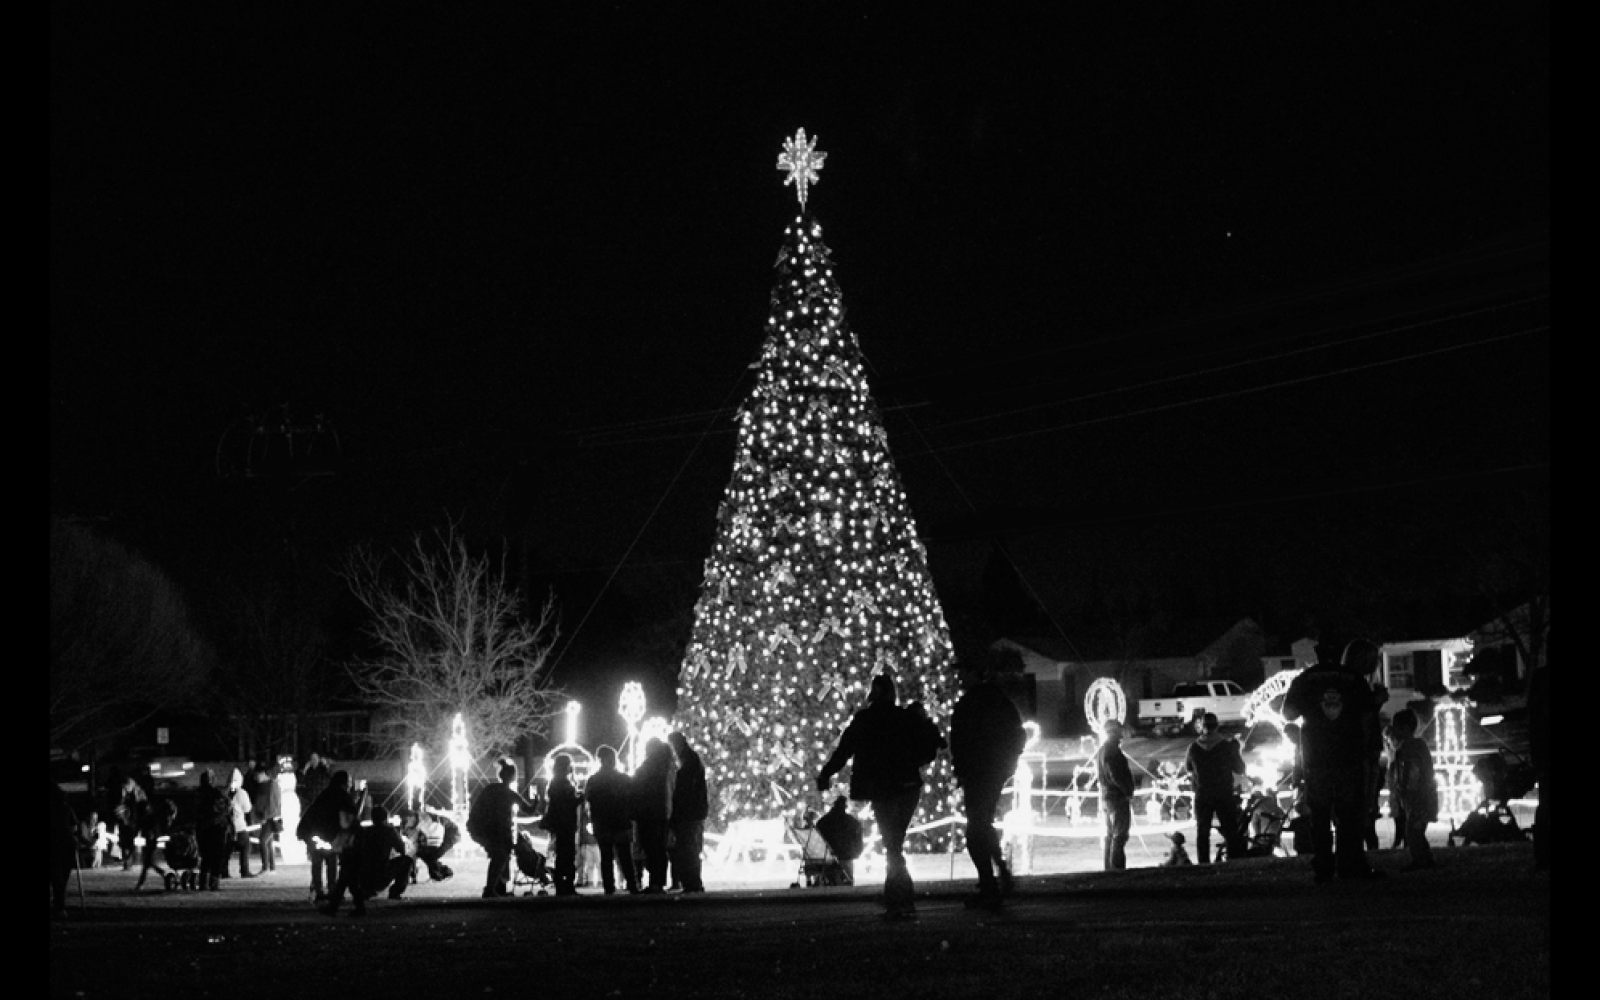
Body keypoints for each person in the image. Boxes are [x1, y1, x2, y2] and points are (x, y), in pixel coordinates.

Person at [816, 672, 946, 920]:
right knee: (893, 842)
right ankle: (897, 895)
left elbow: (844, 751)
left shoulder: (865, 720)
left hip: (884, 789)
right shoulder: (904, 717)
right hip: (908, 787)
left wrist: (826, 774)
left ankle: (901, 897)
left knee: (892, 842)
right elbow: (934, 742)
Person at [1283, 641, 1385, 883]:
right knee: (1349, 815)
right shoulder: (1353, 678)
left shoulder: (1305, 679)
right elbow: (1367, 712)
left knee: (1319, 816)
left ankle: (1323, 867)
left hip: (1316, 758)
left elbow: (1288, 713)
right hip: (1349, 756)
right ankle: (1348, 865)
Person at [948, 659, 1026, 909]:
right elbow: (1018, 734)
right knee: (982, 823)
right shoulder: (998, 700)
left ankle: (990, 883)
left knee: (976, 828)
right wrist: (1008, 763)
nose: (959, 678)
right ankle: (996, 874)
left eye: (962, 672)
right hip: (991, 772)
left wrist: (963, 768)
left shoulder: (972, 702)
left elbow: (960, 739)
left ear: (974, 672)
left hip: (979, 772)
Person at [467, 758, 540, 899]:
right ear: (511, 777)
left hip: (487, 829)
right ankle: (490, 889)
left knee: (501, 855)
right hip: (492, 830)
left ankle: (497, 888)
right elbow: (529, 810)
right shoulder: (508, 793)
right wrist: (537, 801)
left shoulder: (491, 789)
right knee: (500, 856)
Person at [321, 806, 411, 916]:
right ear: (385, 819)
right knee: (407, 860)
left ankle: (336, 906)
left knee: (347, 871)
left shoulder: (365, 832)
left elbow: (354, 848)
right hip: (380, 873)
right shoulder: (389, 831)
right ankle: (395, 892)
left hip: (362, 873)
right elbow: (402, 850)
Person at [1184, 712, 1247, 864]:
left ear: (1202, 727)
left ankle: (1203, 862)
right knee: (1230, 829)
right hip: (1223, 793)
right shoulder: (1226, 746)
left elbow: (1189, 768)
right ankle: (1233, 861)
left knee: (1203, 831)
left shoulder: (1193, 748)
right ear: (1217, 726)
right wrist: (1236, 750)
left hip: (1202, 794)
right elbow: (1240, 769)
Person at [1387, 709, 1439, 872]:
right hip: (1420, 795)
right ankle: (1425, 858)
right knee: (1416, 830)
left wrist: (1404, 787)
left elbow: (1412, 770)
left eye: (1396, 726)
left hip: (1418, 796)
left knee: (1413, 831)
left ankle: (1420, 859)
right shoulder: (1412, 746)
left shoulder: (1410, 747)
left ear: (1404, 728)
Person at [297, 769, 358, 903]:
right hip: (321, 833)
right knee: (330, 860)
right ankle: (330, 889)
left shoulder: (327, 792)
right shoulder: (341, 795)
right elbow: (351, 813)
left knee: (319, 861)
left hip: (312, 831)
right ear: (343, 783)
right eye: (347, 782)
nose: (348, 785)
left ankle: (321, 890)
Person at [584, 745, 639, 895]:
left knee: (607, 856)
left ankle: (610, 886)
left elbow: (588, 798)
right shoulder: (623, 779)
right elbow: (632, 797)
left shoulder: (594, 780)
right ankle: (632, 884)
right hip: (620, 821)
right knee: (624, 856)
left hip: (603, 823)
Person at [632, 738, 677, 893]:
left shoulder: (650, 768)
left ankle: (655, 882)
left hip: (649, 814)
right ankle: (657, 881)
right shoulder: (666, 767)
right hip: (660, 814)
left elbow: (639, 788)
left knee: (652, 849)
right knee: (658, 849)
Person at [667, 732, 709, 894]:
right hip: (693, 812)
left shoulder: (688, 761)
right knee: (690, 847)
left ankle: (692, 882)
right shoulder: (690, 759)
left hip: (689, 813)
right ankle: (692, 881)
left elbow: (685, 789)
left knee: (688, 847)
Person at [1095, 720, 1135, 871]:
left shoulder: (1102, 750)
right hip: (1116, 798)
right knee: (1119, 836)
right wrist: (1127, 790)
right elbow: (1115, 775)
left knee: (1110, 836)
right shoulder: (1112, 751)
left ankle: (1108, 870)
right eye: (1119, 731)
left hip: (1107, 797)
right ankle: (1117, 871)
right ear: (1113, 732)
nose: (1122, 734)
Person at [542, 753, 582, 897]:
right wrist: (580, 798)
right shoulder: (563, 783)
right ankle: (567, 886)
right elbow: (567, 804)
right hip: (566, 824)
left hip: (560, 824)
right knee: (568, 855)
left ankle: (561, 885)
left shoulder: (555, 782)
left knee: (562, 855)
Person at [813, 795, 865, 884]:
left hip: (826, 856)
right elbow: (858, 841)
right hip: (846, 855)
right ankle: (848, 885)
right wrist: (857, 852)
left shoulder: (822, 822)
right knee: (847, 877)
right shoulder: (853, 822)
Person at [194, 768, 232, 891]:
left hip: (202, 828)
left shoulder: (197, 794)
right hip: (216, 828)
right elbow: (226, 807)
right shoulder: (216, 794)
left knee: (205, 856)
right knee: (217, 856)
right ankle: (213, 882)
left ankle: (203, 882)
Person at [1528, 659, 1549, 872]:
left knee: (1545, 806)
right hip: (1545, 754)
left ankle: (1543, 855)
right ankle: (1543, 855)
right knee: (1545, 806)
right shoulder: (1542, 679)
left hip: (1544, 754)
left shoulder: (1540, 679)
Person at [133, 797, 179, 891]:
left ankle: (141, 883)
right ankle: (162, 874)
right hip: (150, 838)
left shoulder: (150, 817)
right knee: (148, 862)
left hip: (151, 839)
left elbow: (150, 828)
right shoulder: (151, 816)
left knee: (147, 862)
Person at [403, 805, 459, 883]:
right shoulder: (418, 820)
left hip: (451, 833)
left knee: (431, 854)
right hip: (441, 832)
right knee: (423, 853)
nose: (407, 823)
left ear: (411, 817)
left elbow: (434, 839)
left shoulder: (427, 821)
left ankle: (441, 875)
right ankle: (442, 873)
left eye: (407, 820)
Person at [51, 780, 78, 919]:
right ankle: (59, 907)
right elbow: (75, 827)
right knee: (62, 876)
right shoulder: (66, 808)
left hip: (53, 843)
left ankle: (58, 906)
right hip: (67, 843)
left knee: (55, 875)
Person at [250, 762, 282, 873]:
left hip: (270, 818)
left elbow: (272, 803)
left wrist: (264, 816)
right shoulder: (262, 785)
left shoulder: (272, 784)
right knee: (268, 841)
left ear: (263, 773)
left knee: (263, 840)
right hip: (265, 817)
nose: (255, 778)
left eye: (257, 775)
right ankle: (271, 866)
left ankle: (265, 866)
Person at [113, 775, 148, 872]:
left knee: (128, 843)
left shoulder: (138, 794)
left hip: (132, 822)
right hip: (127, 821)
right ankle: (127, 863)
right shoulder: (128, 794)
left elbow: (138, 809)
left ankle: (130, 862)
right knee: (125, 842)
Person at [226, 768, 256, 878]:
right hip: (239, 826)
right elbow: (247, 808)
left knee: (227, 849)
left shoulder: (225, 792)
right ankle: (244, 870)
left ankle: (224, 870)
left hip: (227, 826)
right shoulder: (242, 793)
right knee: (245, 846)